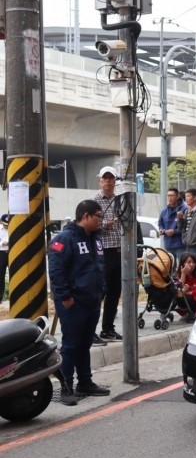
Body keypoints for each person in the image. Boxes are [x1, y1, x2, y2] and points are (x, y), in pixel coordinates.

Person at [48, 200, 111, 406]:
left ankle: (85, 382)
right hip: (73, 303)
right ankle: (66, 387)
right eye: (97, 216)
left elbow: (98, 267)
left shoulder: (96, 239)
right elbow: (56, 271)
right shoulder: (65, 238)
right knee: (71, 345)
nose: (100, 220)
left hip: (92, 301)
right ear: (85, 216)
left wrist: (101, 293)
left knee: (85, 344)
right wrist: (65, 297)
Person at [93, 165, 122, 343]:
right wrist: (107, 223)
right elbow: (90, 223)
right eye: (106, 178)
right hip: (103, 252)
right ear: (100, 180)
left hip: (120, 251)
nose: (109, 181)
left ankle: (108, 329)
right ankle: (91, 331)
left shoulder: (121, 199)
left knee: (115, 292)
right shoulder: (94, 200)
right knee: (100, 292)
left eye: (112, 178)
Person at [158, 187, 187, 259]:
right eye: (168, 196)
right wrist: (162, 230)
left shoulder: (184, 209)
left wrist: (175, 231)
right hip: (168, 244)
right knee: (169, 267)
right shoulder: (164, 211)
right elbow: (160, 223)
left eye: (172, 196)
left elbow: (187, 226)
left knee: (181, 266)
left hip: (180, 244)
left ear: (177, 197)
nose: (169, 198)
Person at [0, 213, 8, 302]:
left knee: (15, 274)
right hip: (1, 253)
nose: (6, 227)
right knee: (0, 275)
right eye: (5, 225)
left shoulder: (13, 228)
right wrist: (2, 243)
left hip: (12, 253)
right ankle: (0, 298)